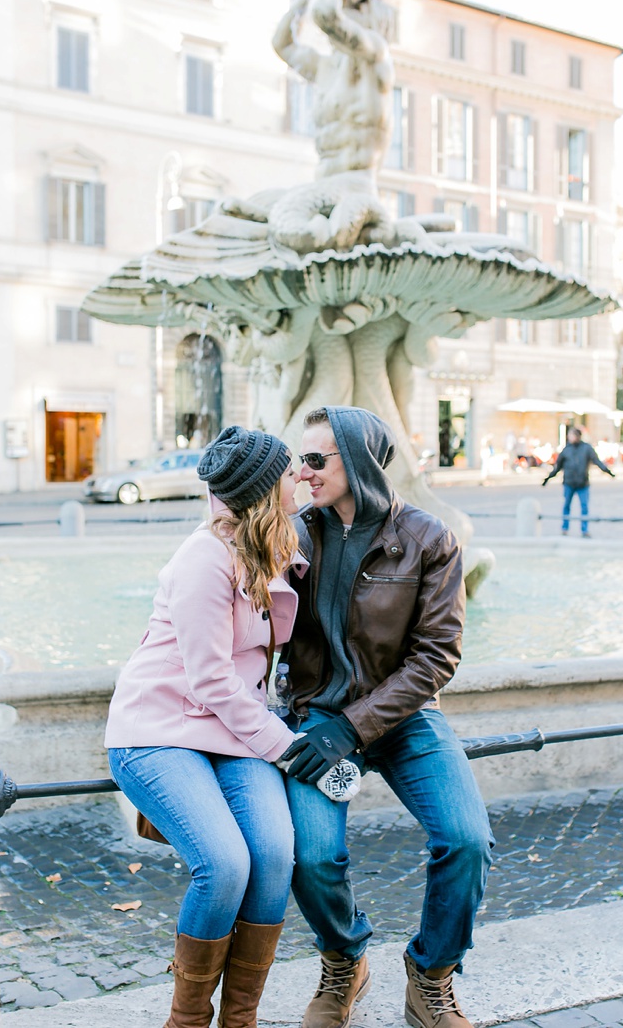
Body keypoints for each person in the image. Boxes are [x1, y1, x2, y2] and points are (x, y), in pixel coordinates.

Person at [281, 406, 491, 1028]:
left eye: (317, 460)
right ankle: (345, 959)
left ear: (361, 462)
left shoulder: (431, 538)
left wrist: (354, 726)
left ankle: (431, 974)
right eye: (301, 460)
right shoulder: (294, 533)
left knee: (466, 839)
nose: (304, 472)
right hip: (316, 718)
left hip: (403, 716)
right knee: (312, 856)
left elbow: (436, 656)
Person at [105, 426, 304, 1028]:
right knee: (224, 864)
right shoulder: (203, 557)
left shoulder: (276, 543)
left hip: (232, 732)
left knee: (273, 855)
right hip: (160, 730)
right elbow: (212, 680)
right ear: (267, 489)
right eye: (292, 470)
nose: (302, 477)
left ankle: (238, 1021)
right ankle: (187, 1021)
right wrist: (287, 747)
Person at [541, 427, 616, 537]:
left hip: (582, 483)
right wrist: (547, 479)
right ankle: (564, 527)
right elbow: (557, 467)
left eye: (571, 435)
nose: (569, 437)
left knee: (584, 507)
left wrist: (608, 472)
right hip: (569, 483)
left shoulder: (586, 448)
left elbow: (597, 461)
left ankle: (584, 529)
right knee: (566, 505)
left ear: (577, 436)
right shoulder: (566, 450)